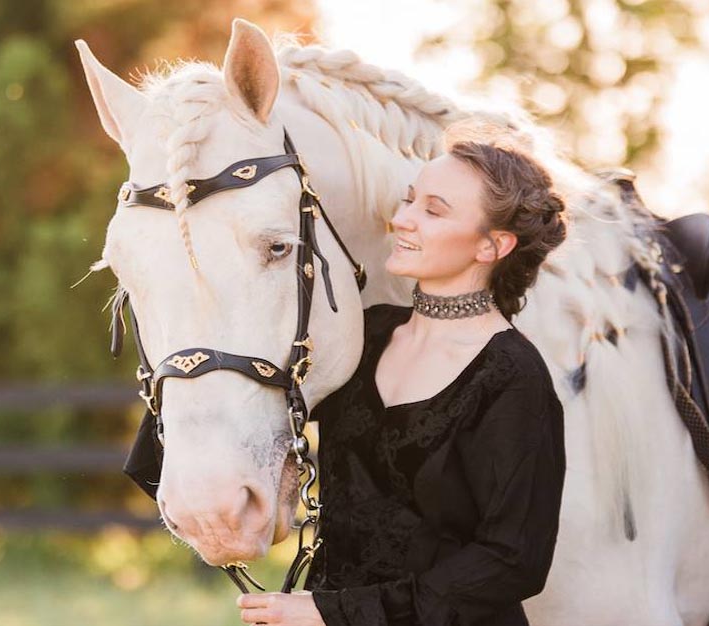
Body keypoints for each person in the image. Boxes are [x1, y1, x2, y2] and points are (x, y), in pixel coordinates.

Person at [236, 125, 569, 626]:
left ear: (492, 246)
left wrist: (337, 614)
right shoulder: (364, 334)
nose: (401, 220)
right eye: (410, 201)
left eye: (433, 211)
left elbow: (513, 560)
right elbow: (257, 398)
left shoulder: (514, 377)